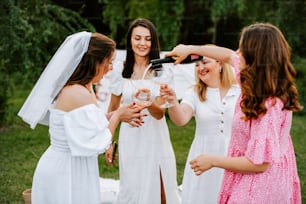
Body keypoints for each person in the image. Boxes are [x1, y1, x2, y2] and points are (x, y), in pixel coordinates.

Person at [165, 22, 303, 203]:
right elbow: (228, 55)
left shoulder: (269, 104)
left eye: (241, 49)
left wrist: (213, 161)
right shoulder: (252, 80)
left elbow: (259, 163)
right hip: (248, 176)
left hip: (262, 185)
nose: (236, 53)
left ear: (255, 57)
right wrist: (190, 48)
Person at [18, 31, 145, 204]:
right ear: (94, 62)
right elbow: (96, 142)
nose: (111, 67)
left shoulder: (84, 87)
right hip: (65, 170)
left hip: (75, 165)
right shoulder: (76, 93)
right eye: (108, 62)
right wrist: (117, 117)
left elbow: (90, 122)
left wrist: (118, 113)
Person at [107, 18, 180, 204]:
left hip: (156, 136)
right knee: (133, 187)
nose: (142, 43)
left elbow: (159, 113)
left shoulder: (161, 70)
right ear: (130, 40)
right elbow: (113, 108)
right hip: (130, 136)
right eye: (137, 38)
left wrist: (148, 102)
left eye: (148, 39)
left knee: (161, 185)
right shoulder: (120, 69)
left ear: (153, 41)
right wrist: (109, 142)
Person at [160, 56, 240, 203]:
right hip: (202, 157)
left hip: (233, 156)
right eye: (196, 65)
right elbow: (181, 119)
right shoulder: (194, 93)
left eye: (205, 62)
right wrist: (172, 101)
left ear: (220, 63)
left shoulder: (240, 90)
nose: (200, 68)